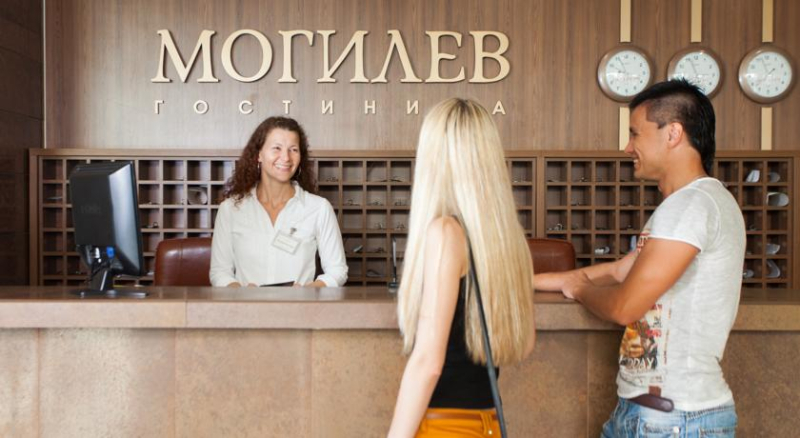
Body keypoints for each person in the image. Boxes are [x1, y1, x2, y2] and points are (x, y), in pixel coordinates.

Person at [536, 79, 744, 437]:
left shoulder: (692, 205)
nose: (628, 147)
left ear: (673, 133)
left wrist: (580, 289)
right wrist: (514, 280)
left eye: (635, 133)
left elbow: (625, 306)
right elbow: (620, 271)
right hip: (653, 413)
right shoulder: (688, 206)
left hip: (675, 420)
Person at [387, 98, 536, 438]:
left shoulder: (445, 233)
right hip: (487, 425)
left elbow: (428, 363)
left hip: (444, 427)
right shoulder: (509, 240)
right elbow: (525, 343)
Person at [209, 116, 347, 287]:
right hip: (247, 304)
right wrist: (240, 291)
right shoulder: (230, 209)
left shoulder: (319, 208)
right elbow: (220, 272)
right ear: (258, 155)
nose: (286, 157)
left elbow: (337, 271)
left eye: (293, 149)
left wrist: (309, 291)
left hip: (301, 304)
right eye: (276, 148)